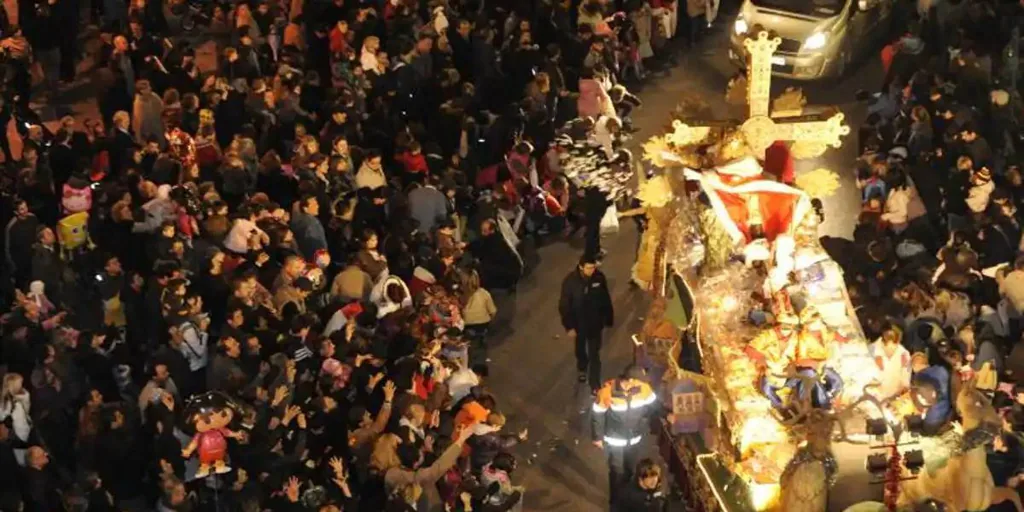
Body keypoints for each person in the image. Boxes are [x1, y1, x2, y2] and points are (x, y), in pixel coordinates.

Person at [591, 365, 659, 506]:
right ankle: (615, 502)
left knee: (631, 469)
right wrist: (597, 437)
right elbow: (597, 414)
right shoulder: (607, 392)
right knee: (616, 472)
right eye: (641, 380)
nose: (644, 383)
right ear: (632, 380)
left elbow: (655, 405)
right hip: (615, 441)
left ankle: (628, 500)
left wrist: (664, 415)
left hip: (634, 439)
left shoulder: (644, 390)